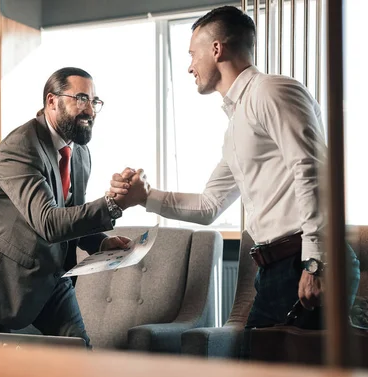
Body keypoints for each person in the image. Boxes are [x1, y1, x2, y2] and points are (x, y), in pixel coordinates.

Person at [107, 6, 359, 331]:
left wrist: (315, 263)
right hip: (275, 270)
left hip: (305, 263)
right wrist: (145, 196)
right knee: (258, 374)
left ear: (216, 49)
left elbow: (314, 170)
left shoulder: (272, 90)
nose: (189, 67)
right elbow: (209, 205)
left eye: (192, 54)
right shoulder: (237, 125)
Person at [0, 67, 132, 346]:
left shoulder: (79, 152)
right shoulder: (19, 147)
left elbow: (69, 214)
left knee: (78, 353)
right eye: (80, 99)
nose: (89, 109)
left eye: (93, 101)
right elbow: (49, 222)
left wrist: (100, 243)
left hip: (52, 276)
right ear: (52, 101)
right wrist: (112, 205)